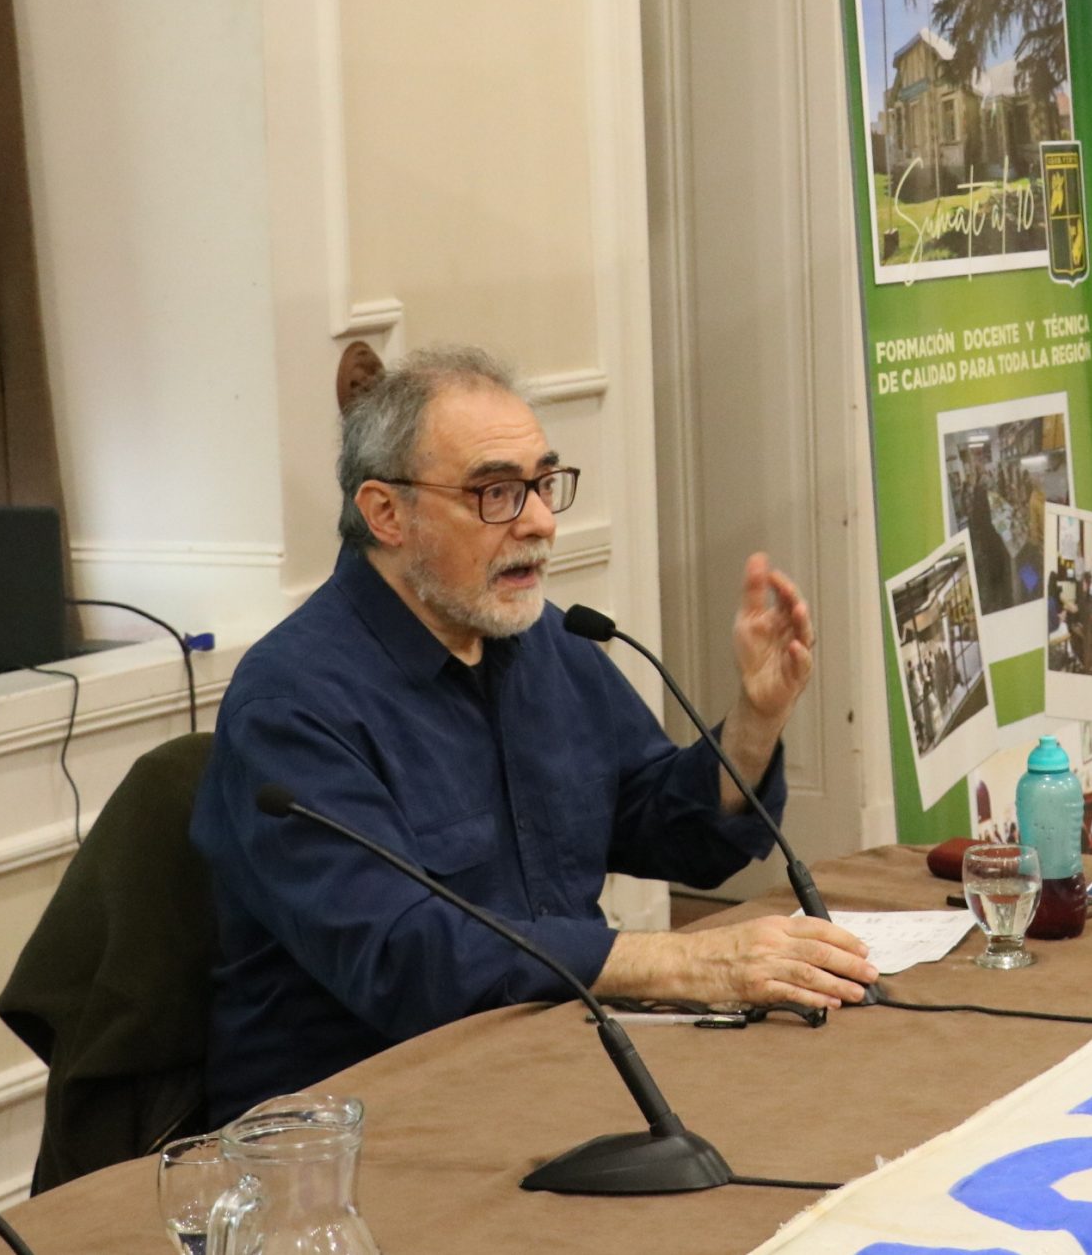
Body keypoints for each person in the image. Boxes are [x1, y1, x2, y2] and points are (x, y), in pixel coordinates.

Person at [190, 345, 877, 1124]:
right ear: (386, 513)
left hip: (564, 1057)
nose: (542, 521)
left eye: (544, 484)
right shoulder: (291, 704)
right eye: (497, 492)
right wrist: (681, 959)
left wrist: (755, 720)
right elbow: (406, 957)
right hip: (358, 1116)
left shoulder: (542, 639)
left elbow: (672, 832)